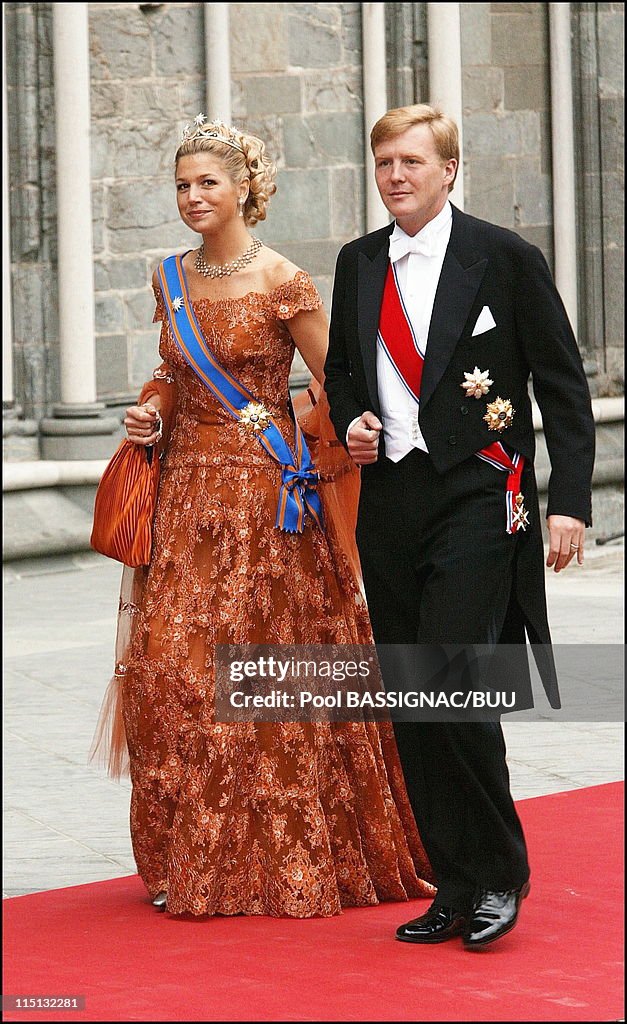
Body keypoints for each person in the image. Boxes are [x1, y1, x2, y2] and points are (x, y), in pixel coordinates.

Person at [91, 115, 436, 917]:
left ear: (245, 187)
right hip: (185, 499)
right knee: (170, 673)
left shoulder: (284, 278)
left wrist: (327, 441)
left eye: (206, 182)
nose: (191, 197)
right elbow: (172, 376)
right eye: (181, 185)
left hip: (265, 500)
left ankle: (274, 855)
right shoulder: (167, 277)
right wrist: (150, 410)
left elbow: (335, 383)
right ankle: (187, 849)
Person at [324, 104, 595, 949]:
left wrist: (570, 503)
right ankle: (453, 882)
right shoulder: (358, 261)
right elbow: (340, 370)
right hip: (392, 502)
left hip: (480, 493)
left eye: (411, 161)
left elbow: (562, 385)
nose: (395, 176)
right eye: (383, 163)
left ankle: (498, 874)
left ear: (448, 169)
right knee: (412, 697)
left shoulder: (502, 258)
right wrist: (353, 421)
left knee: (450, 679)